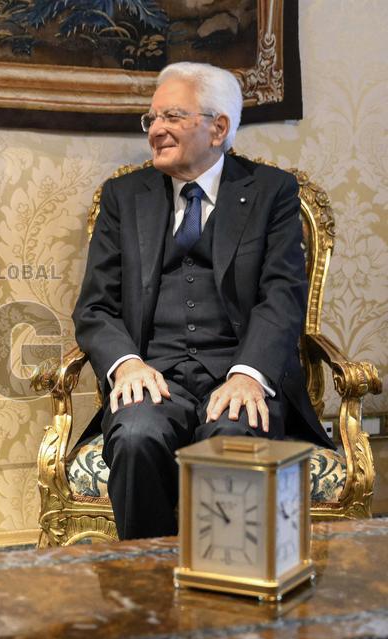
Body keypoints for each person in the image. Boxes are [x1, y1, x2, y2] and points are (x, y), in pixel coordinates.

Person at [72, 61, 331, 541]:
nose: (156, 130)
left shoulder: (271, 192)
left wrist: (248, 374)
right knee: (135, 435)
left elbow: (282, 296)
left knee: (232, 439)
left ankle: (223, 597)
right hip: (155, 379)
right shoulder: (123, 197)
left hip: (237, 377)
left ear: (219, 127)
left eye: (172, 116)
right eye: (151, 119)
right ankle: (147, 594)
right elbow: (95, 306)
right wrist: (126, 365)